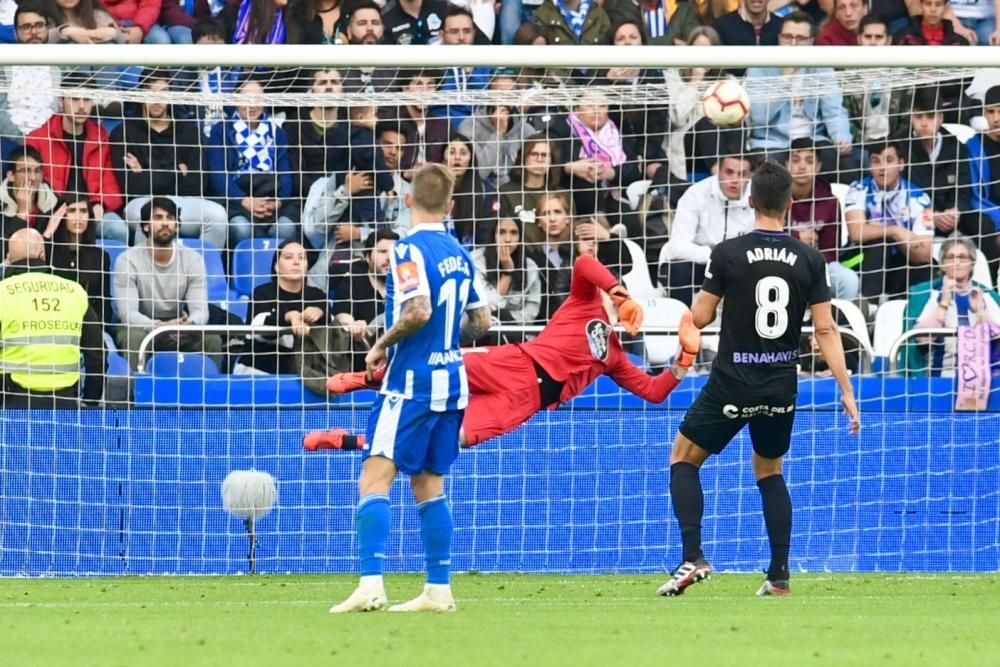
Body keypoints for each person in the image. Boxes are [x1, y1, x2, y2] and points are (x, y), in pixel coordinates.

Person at [657, 161, 859, 599]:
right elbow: (825, 330)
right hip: (780, 384)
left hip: (733, 380)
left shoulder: (728, 252)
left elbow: (702, 316)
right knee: (769, 468)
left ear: (750, 201)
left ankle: (693, 556)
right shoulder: (810, 258)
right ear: (790, 203)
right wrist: (846, 390)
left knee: (683, 459)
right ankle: (779, 575)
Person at [327, 163, 492, 614]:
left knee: (374, 477)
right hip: (453, 381)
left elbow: (417, 310)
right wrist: (444, 345)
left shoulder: (407, 250)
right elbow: (482, 321)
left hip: (411, 383)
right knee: (429, 483)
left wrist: (380, 345)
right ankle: (438, 590)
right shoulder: (459, 251)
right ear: (451, 205)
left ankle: (371, 584)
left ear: (406, 200)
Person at [319, 253, 699, 448]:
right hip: (513, 361)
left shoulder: (613, 355)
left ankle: (346, 440)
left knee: (450, 441)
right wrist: (619, 291)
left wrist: (684, 360)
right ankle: (364, 379)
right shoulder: (585, 302)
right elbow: (584, 263)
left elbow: (654, 392)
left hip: (525, 401)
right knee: (432, 370)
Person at [112, 68, 229, 249]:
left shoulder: (188, 129)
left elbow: (197, 184)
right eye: (150, 93)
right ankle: (144, 276)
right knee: (148, 217)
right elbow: (131, 186)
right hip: (142, 201)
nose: (157, 100)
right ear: (141, 95)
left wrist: (145, 173)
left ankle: (200, 273)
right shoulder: (124, 131)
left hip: (184, 201)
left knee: (218, 216)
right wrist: (177, 171)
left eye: (163, 93)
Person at [112, 197, 223, 371]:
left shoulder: (193, 259)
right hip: (141, 326)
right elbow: (128, 313)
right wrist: (159, 327)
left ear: (177, 224)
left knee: (212, 340)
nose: (165, 223)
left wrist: (188, 325)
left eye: (170, 218)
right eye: (158, 217)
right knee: (133, 337)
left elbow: (200, 311)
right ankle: (133, 394)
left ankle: (211, 393)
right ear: (146, 226)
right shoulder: (127, 260)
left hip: (179, 326)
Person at [0, 227, 105, 407]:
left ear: (9, 258)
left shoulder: (2, 292)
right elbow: (96, 354)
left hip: (11, 401)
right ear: (43, 254)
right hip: (65, 401)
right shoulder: (74, 291)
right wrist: (91, 399)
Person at [245, 240, 345, 390]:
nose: (296, 262)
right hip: (263, 370)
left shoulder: (317, 295)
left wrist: (321, 313)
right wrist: (288, 317)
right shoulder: (262, 293)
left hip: (310, 372)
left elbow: (332, 335)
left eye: (302, 258)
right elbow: (255, 331)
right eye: (288, 257)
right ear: (276, 266)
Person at [658, 151, 755, 306]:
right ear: (718, 171)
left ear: (750, 177)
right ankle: (682, 325)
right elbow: (677, 247)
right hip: (700, 263)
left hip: (739, 266)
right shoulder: (695, 194)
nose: (735, 180)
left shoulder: (757, 198)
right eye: (729, 172)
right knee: (678, 269)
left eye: (742, 174)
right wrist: (715, 255)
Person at [845, 140, 934, 299]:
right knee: (880, 244)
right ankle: (869, 308)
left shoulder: (920, 198)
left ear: (901, 164)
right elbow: (856, 233)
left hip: (898, 263)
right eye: (876, 161)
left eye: (889, 160)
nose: (882, 168)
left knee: (925, 265)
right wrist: (896, 231)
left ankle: (907, 312)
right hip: (858, 262)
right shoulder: (857, 189)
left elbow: (925, 252)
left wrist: (874, 228)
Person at [903, 236, 1000, 376]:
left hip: (983, 379)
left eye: (962, 257)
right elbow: (922, 340)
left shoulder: (985, 296)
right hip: (940, 380)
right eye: (951, 257)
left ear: (972, 263)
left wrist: (981, 313)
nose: (957, 262)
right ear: (942, 264)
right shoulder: (931, 295)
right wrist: (944, 303)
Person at [786, 138, 860, 300]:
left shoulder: (830, 202)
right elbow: (766, 236)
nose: (802, 166)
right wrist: (798, 238)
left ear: (818, 166)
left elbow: (830, 252)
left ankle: (838, 321)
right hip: (781, 263)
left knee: (848, 280)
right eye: (796, 160)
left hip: (818, 265)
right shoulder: (776, 197)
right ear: (786, 165)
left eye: (809, 161)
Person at [45, 194, 113, 326]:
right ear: (60, 216)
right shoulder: (48, 252)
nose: (78, 216)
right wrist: (48, 231)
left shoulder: (100, 256)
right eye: (71, 211)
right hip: (53, 324)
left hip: (89, 326)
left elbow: (104, 303)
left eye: (83, 211)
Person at [0, 0, 61, 140]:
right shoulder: (4, 63)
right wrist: (23, 141)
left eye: (39, 26)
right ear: (15, 33)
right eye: (26, 27)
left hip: (51, 141)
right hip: (9, 140)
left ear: (48, 28)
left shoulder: (62, 65)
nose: (33, 32)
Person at [472, 216, 542, 334]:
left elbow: (531, 312)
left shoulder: (530, 267)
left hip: (516, 333)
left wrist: (505, 320)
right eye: (502, 232)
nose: (508, 239)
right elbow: (486, 307)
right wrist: (507, 273)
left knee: (503, 316)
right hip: (482, 332)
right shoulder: (475, 260)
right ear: (493, 235)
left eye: (514, 233)